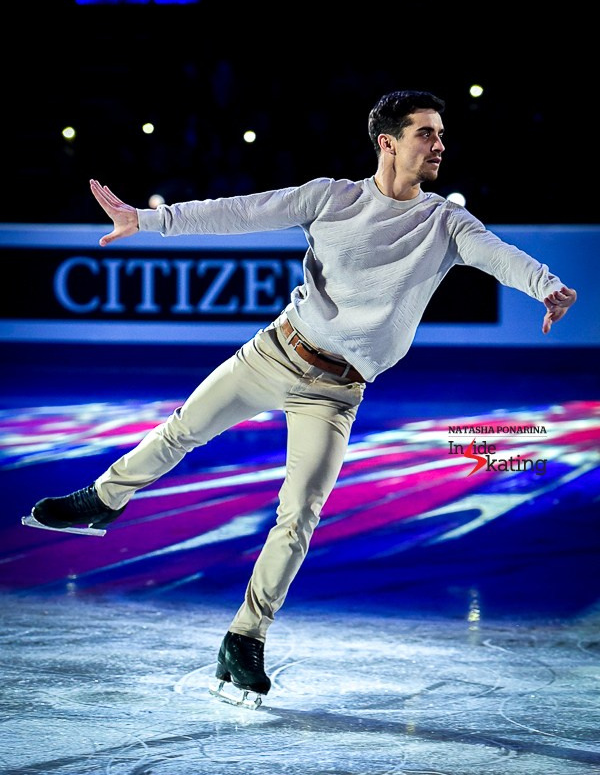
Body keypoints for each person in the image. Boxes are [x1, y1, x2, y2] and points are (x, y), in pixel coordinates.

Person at [28, 90, 577, 707]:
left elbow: (496, 255)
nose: (440, 145)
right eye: (427, 134)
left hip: (337, 393)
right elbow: (242, 212)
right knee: (181, 430)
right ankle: (102, 499)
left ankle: (244, 636)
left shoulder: (445, 223)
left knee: (300, 515)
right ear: (388, 143)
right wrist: (149, 219)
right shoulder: (331, 198)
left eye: (442, 134)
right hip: (274, 353)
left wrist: (546, 285)